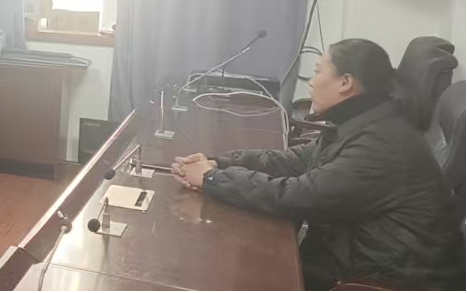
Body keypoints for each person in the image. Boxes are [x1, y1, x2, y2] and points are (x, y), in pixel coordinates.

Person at [173, 39, 464, 291]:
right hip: (353, 257)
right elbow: (298, 161)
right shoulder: (367, 122)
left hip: (377, 281)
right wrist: (220, 162)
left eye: (317, 72)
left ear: (345, 83)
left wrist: (213, 179)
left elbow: (297, 195)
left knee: (229, 269)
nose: (311, 82)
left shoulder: (381, 146)